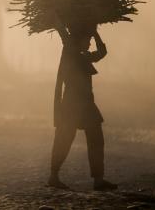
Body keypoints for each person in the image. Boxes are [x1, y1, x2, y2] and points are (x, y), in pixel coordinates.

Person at [47, 15, 117, 191]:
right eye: (88, 40)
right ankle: (53, 176)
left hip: (86, 104)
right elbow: (65, 35)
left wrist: (95, 33)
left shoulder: (83, 56)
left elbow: (102, 52)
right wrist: (57, 22)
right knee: (64, 139)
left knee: (95, 139)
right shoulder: (71, 51)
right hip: (72, 104)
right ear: (80, 39)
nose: (90, 43)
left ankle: (98, 180)